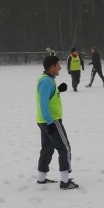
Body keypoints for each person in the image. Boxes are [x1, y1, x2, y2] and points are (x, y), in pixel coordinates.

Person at [36, 55, 79, 190]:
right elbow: (43, 104)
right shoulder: (46, 82)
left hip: (43, 120)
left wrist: (58, 90)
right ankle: (65, 182)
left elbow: (47, 97)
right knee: (64, 148)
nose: (60, 68)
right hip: (51, 120)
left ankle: (41, 178)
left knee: (47, 149)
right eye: (58, 65)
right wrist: (50, 123)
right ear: (52, 67)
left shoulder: (47, 79)